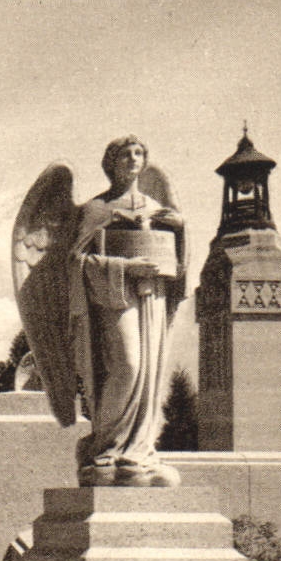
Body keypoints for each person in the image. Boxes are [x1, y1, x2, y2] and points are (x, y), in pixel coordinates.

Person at [68, 136, 185, 486]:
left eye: (139, 153)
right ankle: (106, 447)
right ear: (111, 162)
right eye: (125, 154)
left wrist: (180, 231)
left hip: (154, 295)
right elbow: (75, 262)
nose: (133, 159)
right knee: (128, 365)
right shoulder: (96, 209)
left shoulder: (155, 208)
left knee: (149, 371)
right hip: (114, 296)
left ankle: (139, 452)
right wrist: (125, 268)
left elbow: (178, 265)